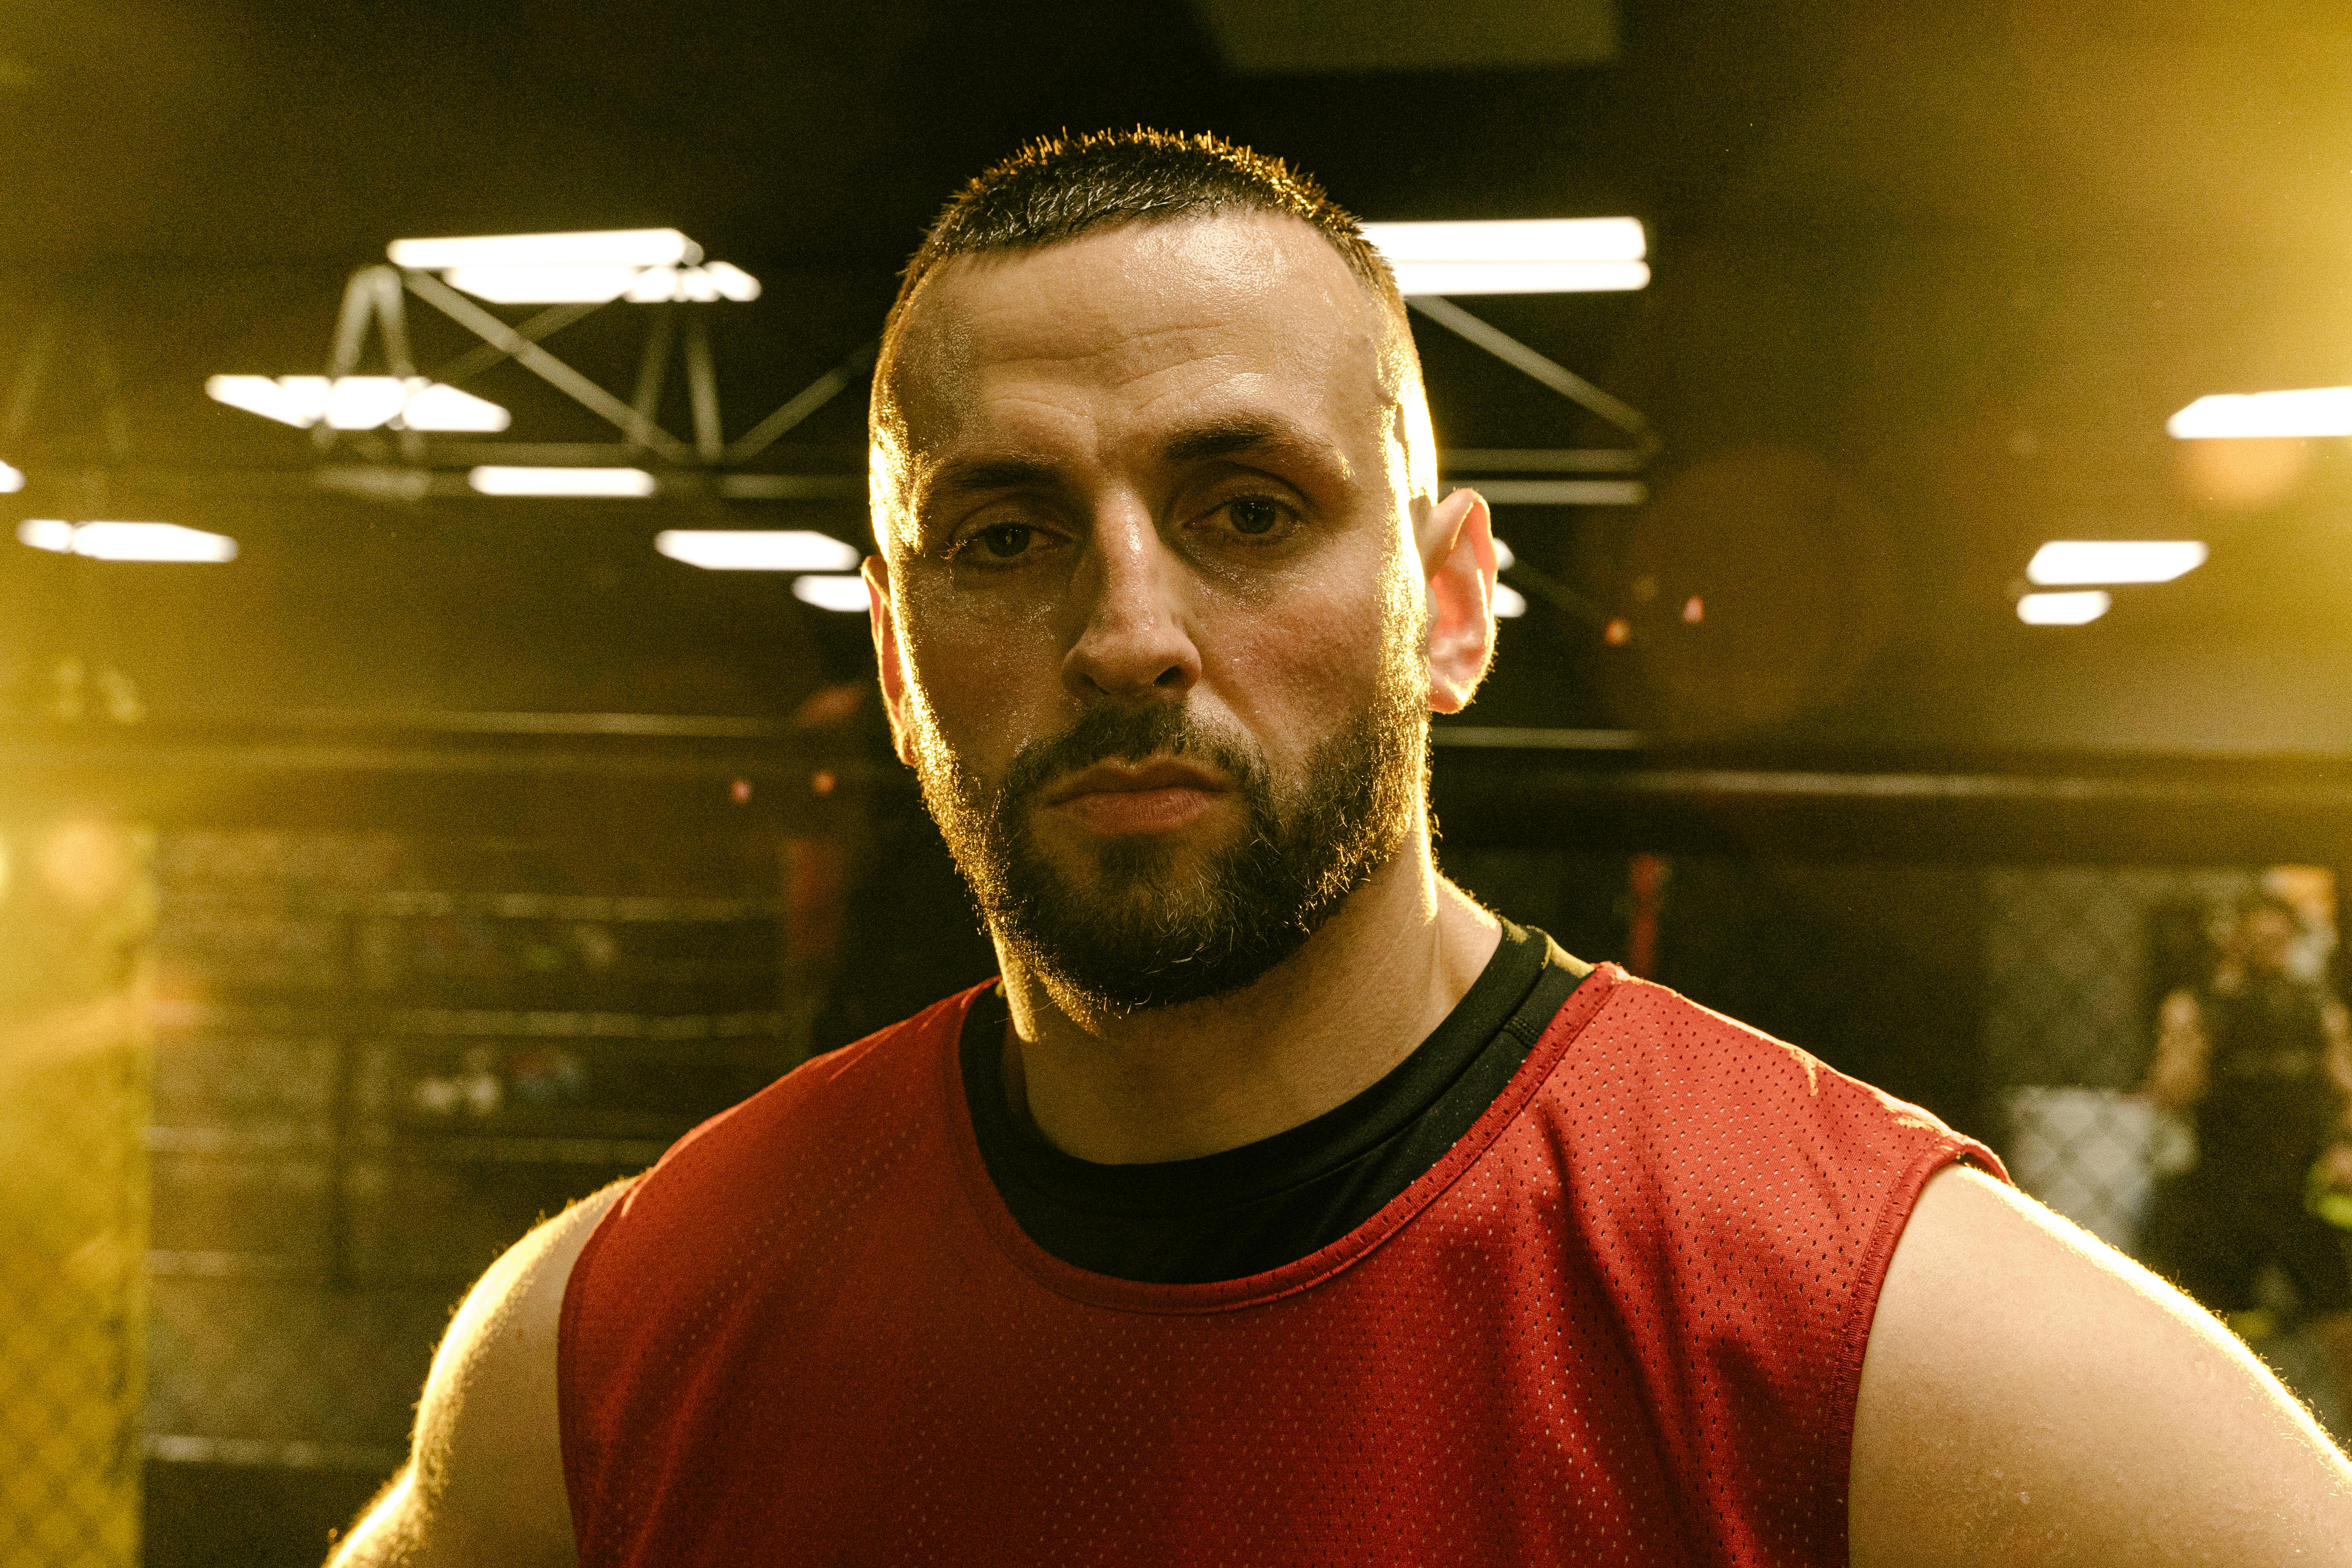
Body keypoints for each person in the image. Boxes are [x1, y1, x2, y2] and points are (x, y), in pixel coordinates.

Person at [328, 131, 2352, 1567]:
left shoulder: (1876, 1337)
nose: (1127, 633)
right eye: (1008, 536)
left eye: (1246, 510)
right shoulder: (617, 1342)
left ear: (1455, 606)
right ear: (893, 646)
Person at [2143, 891, 2352, 1401]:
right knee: (2209, 1323)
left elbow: (2345, 1085)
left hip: (2303, 1181)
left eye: (2280, 941)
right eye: (2260, 940)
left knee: (2342, 1318)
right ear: (2234, 938)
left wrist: (2344, 1143)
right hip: (2224, 1180)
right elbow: (2170, 1095)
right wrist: (2198, 1034)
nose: (2271, 951)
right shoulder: (2199, 1004)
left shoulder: (2313, 1005)